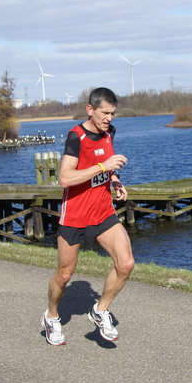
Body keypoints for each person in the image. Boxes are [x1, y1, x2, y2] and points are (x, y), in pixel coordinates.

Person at [41, 87, 135, 345]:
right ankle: (51, 317)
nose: (109, 118)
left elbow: (107, 161)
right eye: (105, 113)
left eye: (113, 113)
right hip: (75, 216)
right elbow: (65, 178)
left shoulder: (109, 132)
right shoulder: (76, 137)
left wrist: (114, 179)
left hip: (103, 212)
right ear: (90, 109)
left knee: (125, 263)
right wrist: (103, 167)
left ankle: (100, 310)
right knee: (64, 274)